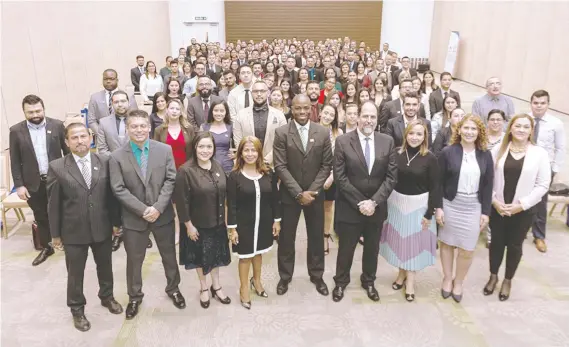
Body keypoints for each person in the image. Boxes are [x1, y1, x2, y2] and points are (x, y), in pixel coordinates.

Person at [109, 110, 186, 320]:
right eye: (134, 126)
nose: (139, 130)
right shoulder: (116, 156)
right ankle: (134, 297)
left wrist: (158, 207)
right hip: (134, 219)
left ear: (149, 127)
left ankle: (174, 289)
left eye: (143, 125)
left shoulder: (164, 150)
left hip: (163, 215)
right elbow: (118, 188)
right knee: (134, 260)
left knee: (169, 256)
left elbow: (171, 180)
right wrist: (143, 210)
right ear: (127, 129)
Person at [46, 123, 122, 331]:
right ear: (67, 142)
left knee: (105, 267)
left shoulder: (105, 161)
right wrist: (55, 235)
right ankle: (77, 309)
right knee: (75, 273)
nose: (79, 141)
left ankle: (107, 297)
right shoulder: (57, 167)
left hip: (102, 227)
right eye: (74, 138)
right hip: (73, 231)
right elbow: (53, 205)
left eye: (83, 136)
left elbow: (112, 197)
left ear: (91, 138)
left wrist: (116, 223)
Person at [331, 101, 397, 302]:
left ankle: (368, 281)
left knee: (372, 249)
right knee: (346, 249)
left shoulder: (387, 141)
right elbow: (340, 177)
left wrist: (374, 202)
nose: (369, 120)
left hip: (376, 209)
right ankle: (341, 282)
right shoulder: (343, 141)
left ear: (377, 120)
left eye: (373, 117)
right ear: (358, 117)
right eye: (365, 116)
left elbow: (391, 177)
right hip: (350, 208)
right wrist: (361, 203)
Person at [484, 114, 551, 301]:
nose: (521, 130)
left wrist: (521, 205)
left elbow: (543, 184)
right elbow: (487, 179)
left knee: (514, 245)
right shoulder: (498, 149)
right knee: (496, 243)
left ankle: (507, 279)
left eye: (525, 127)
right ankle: (493, 275)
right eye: (518, 126)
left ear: (531, 130)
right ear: (511, 128)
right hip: (498, 208)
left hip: (523, 211)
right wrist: (494, 202)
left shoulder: (540, 154)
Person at [273, 94, 333, 296]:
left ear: (311, 109)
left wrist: (312, 192)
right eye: (297, 108)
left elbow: (326, 165)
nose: (301, 112)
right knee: (286, 238)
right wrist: (298, 193)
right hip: (290, 196)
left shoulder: (323, 132)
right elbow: (280, 165)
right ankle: (285, 277)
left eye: (305, 108)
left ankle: (317, 275)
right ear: (292, 108)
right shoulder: (282, 133)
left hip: (315, 195)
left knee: (316, 237)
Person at [379, 120, 440, 302]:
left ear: (425, 137)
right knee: (400, 243)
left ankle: (411, 282)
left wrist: (430, 213)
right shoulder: (397, 153)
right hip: (396, 204)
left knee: (413, 246)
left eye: (419, 134)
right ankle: (401, 275)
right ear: (406, 134)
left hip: (419, 206)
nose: (415, 137)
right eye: (412, 133)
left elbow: (436, 187)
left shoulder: (430, 158)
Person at [436, 114, 494, 303]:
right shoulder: (447, 152)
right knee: (447, 244)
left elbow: (488, 185)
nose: (469, 132)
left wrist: (486, 212)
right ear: (458, 129)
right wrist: (439, 207)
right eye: (466, 128)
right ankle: (447, 277)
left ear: (479, 132)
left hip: (473, 207)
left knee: (467, 249)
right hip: (451, 204)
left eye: (473, 129)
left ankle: (458, 281)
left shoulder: (485, 154)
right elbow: (438, 183)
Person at [9, 94, 70, 266]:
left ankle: (66, 242)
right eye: (30, 112)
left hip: (56, 179)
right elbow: (14, 160)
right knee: (41, 215)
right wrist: (19, 185)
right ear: (24, 112)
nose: (35, 115)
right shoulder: (15, 131)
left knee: (62, 211)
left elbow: (68, 153)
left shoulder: (57, 125)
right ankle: (47, 247)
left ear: (44, 108)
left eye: (38, 110)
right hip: (32, 183)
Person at [174, 132, 232, 309]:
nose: (205, 150)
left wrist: (228, 222)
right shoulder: (185, 170)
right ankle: (204, 287)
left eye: (209, 147)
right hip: (197, 225)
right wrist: (188, 226)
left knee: (216, 257)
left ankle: (216, 285)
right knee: (200, 258)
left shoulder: (218, 166)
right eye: (201, 146)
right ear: (194, 148)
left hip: (218, 222)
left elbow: (225, 195)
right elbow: (181, 202)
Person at [227, 136, 282, 309]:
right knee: (245, 257)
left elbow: (275, 199)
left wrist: (277, 221)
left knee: (258, 253)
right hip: (243, 225)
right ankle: (244, 288)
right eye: (246, 150)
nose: (250, 154)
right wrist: (232, 229)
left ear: (259, 153)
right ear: (240, 153)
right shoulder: (234, 176)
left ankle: (256, 282)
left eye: (254, 150)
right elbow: (232, 205)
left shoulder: (268, 173)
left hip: (264, 222)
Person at [529, 90, 565, 253]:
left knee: (540, 202)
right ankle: (519, 231)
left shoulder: (555, 123)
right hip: (525, 165)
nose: (539, 106)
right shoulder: (525, 119)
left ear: (548, 104)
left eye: (542, 103)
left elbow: (560, 148)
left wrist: (554, 169)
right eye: (536, 102)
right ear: (531, 103)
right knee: (520, 196)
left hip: (544, 168)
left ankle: (539, 236)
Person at [233, 80, 287, 166]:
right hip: (247, 163)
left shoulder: (279, 115)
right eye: (255, 91)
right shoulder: (241, 114)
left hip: (272, 165)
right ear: (251, 93)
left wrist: (267, 160)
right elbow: (238, 141)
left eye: (262, 91)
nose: (259, 94)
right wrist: (249, 158)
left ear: (268, 93)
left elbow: (282, 142)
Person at [319, 104, 344, 255]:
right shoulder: (312, 128)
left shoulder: (338, 133)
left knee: (328, 208)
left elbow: (340, 158)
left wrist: (332, 177)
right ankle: (315, 237)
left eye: (331, 115)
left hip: (331, 176)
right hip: (314, 176)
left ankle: (325, 237)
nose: (328, 116)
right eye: (326, 113)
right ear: (321, 113)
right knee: (315, 209)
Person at [88, 69, 137, 134]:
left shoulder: (128, 95)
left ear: (117, 80)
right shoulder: (94, 97)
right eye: (105, 79)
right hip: (102, 140)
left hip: (124, 138)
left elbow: (135, 117)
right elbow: (91, 120)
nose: (108, 81)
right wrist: (101, 134)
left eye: (111, 79)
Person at [153, 98, 195, 170]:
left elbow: (194, 150)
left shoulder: (189, 129)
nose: (174, 111)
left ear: (181, 112)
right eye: (172, 108)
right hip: (166, 169)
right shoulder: (159, 130)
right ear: (167, 110)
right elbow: (156, 153)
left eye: (177, 109)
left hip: (186, 169)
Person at [200, 101, 235, 173]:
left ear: (226, 112)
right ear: (211, 112)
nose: (219, 113)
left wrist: (236, 154)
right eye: (216, 110)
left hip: (228, 166)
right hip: (208, 165)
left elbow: (240, 144)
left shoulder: (231, 126)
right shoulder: (204, 127)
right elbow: (199, 147)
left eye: (222, 111)